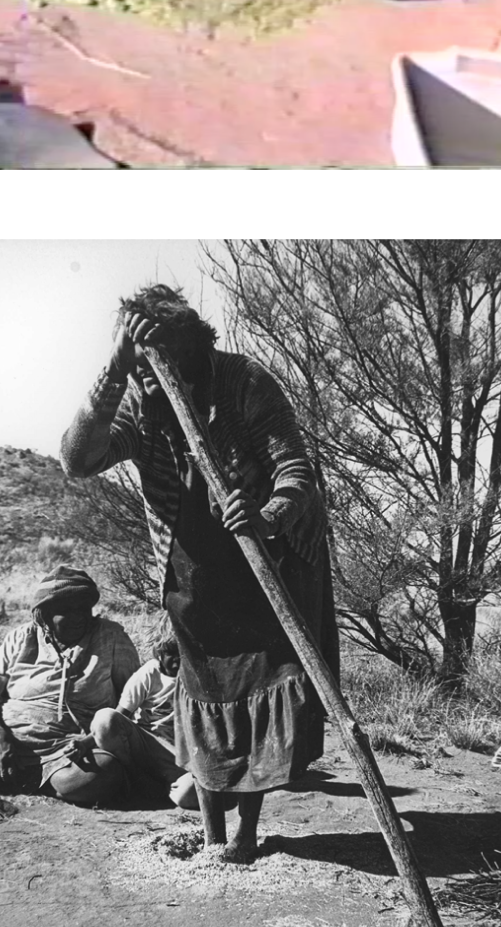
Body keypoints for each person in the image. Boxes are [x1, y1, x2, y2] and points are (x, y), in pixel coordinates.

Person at [61, 284, 339, 862]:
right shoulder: (140, 398)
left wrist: (270, 515)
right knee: (202, 692)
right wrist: (115, 369)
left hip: (263, 567)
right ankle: (214, 835)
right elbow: (77, 460)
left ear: (189, 342)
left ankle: (246, 836)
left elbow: (293, 465)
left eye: (160, 350)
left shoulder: (244, 381)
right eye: (141, 355)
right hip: (189, 572)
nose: (151, 367)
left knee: (260, 689)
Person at [0, 566, 140, 805]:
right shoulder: (21, 638)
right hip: (8, 744)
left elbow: (133, 700)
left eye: (83, 608)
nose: (78, 617)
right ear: (44, 615)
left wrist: (92, 740)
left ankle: (33, 783)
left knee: (102, 771)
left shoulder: (111, 637)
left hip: (70, 751)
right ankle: (29, 782)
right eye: (66, 610)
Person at [90, 637, 199, 809]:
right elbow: (120, 716)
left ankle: (160, 788)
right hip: (147, 743)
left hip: (177, 755)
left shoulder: (198, 675)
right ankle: (135, 776)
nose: (178, 659)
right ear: (159, 654)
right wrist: (85, 743)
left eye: (183, 653)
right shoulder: (149, 673)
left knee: (191, 792)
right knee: (105, 719)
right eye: (171, 654)